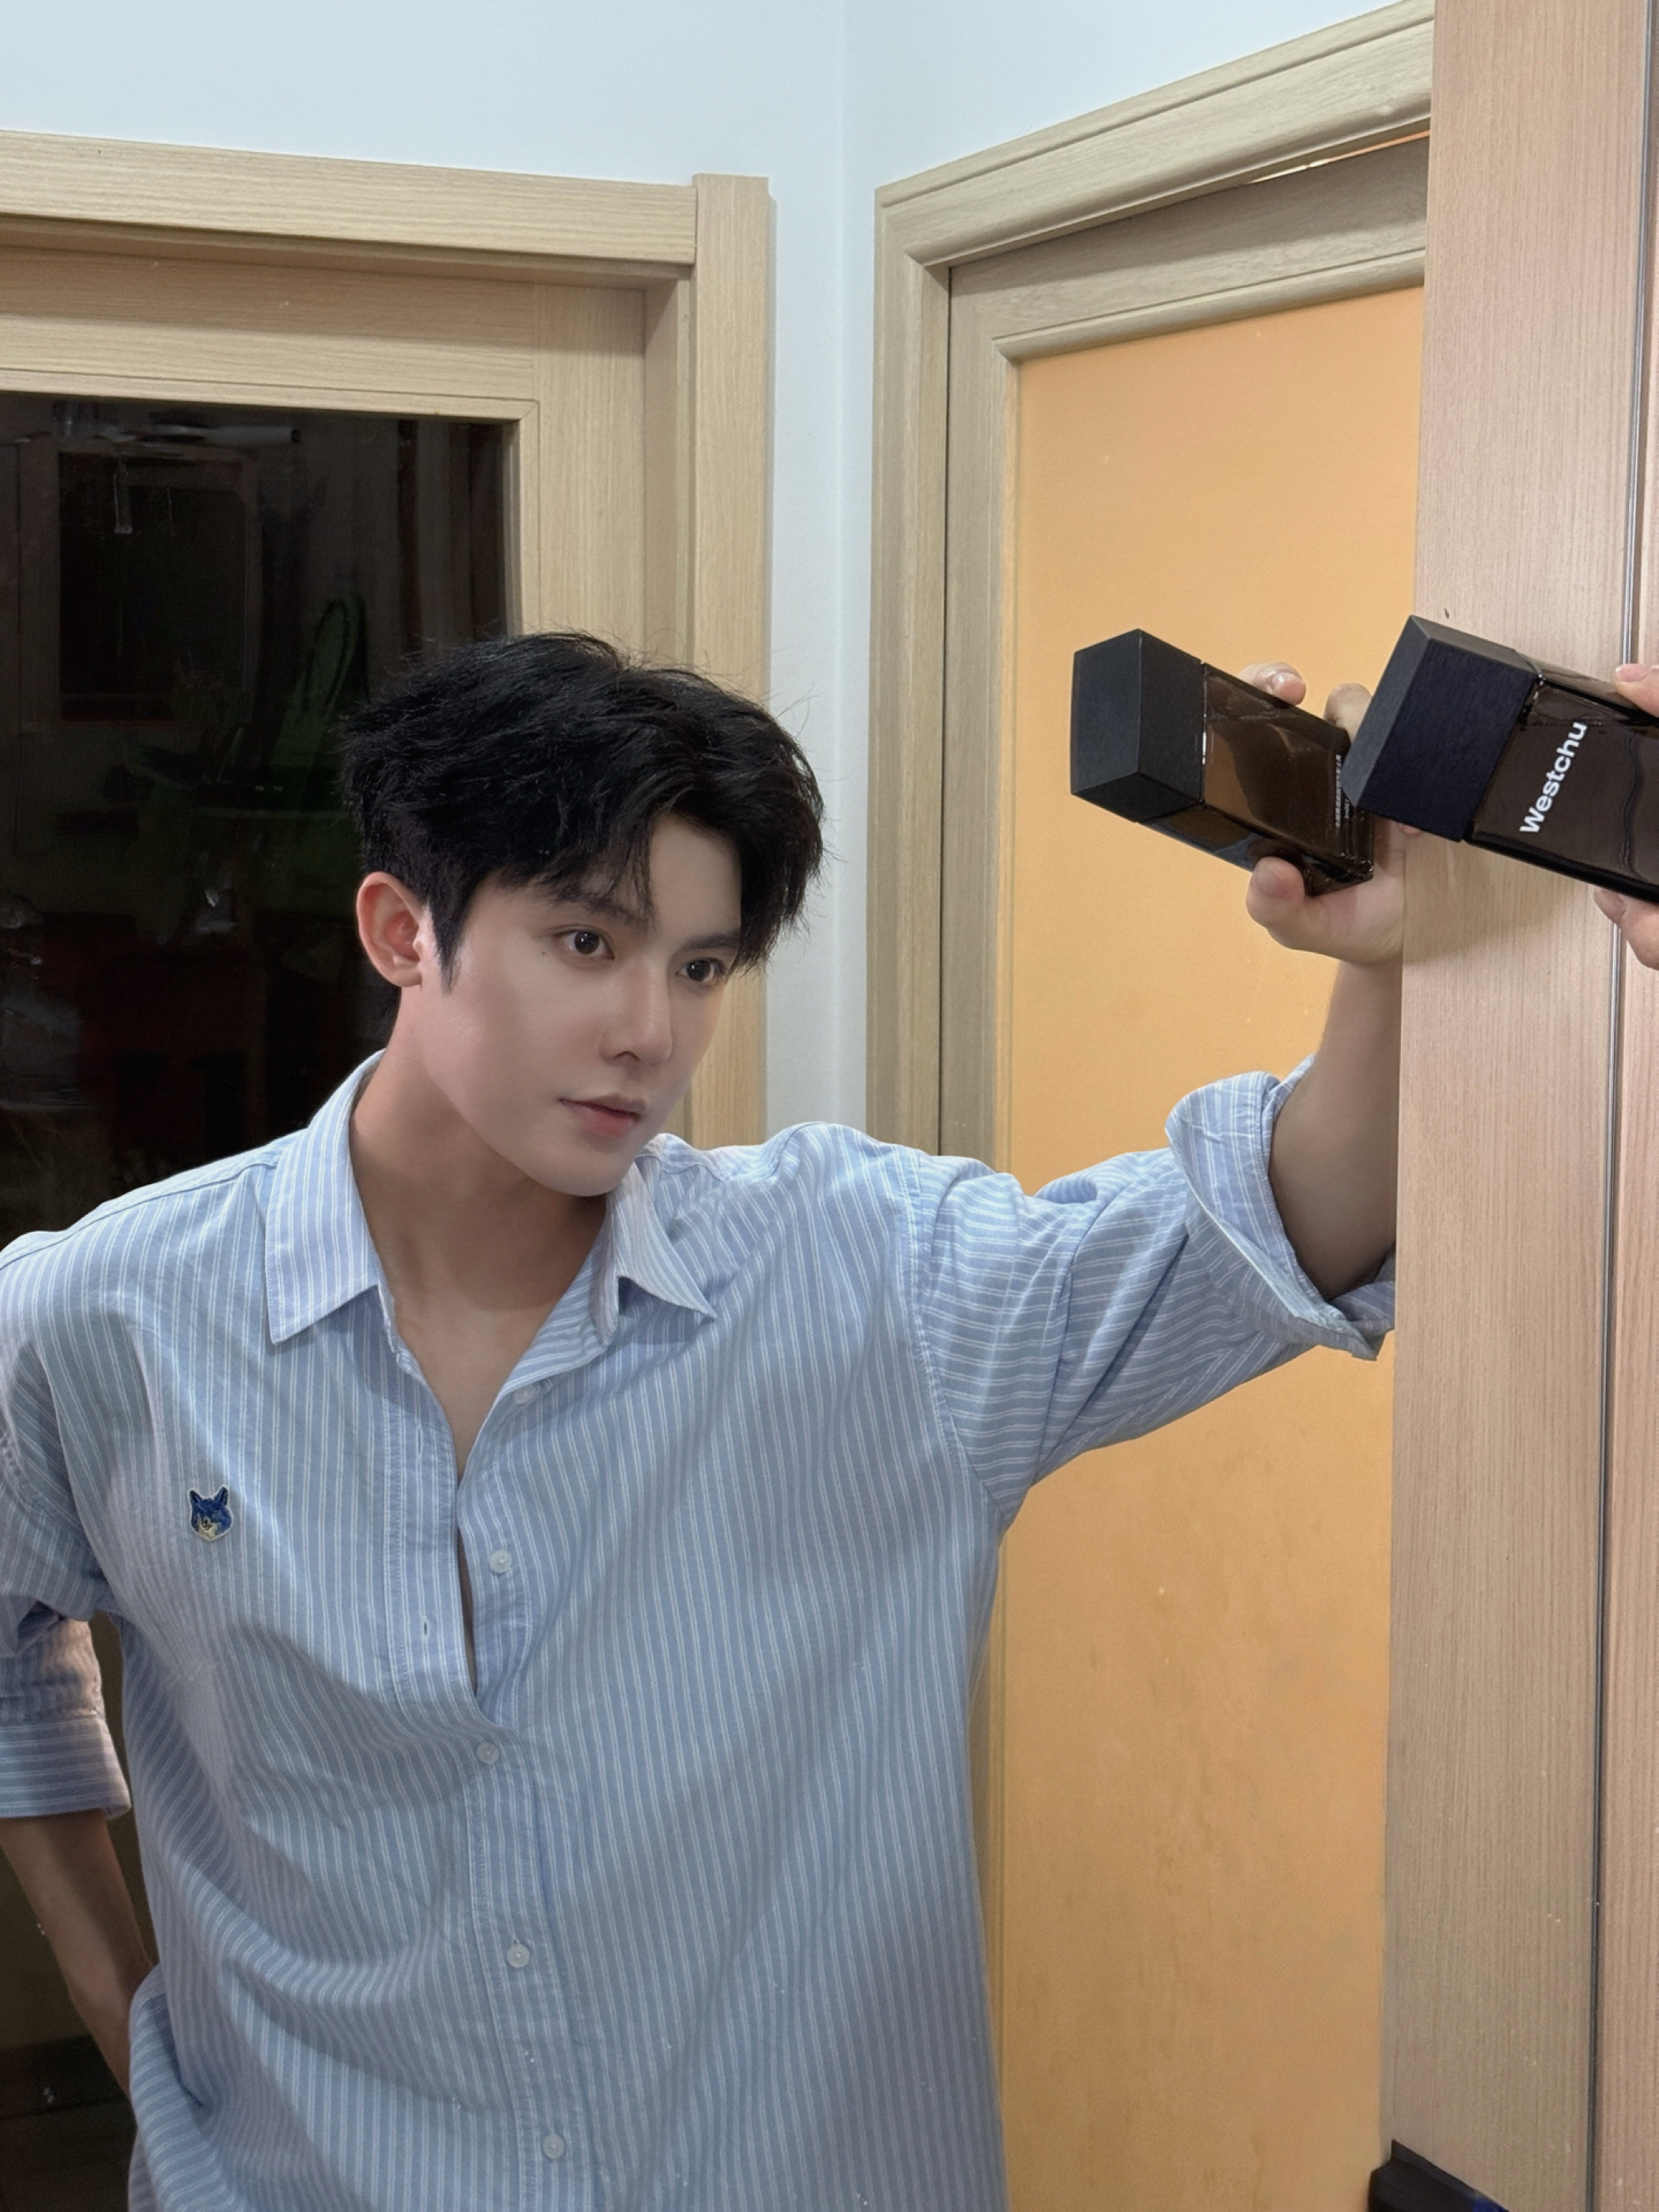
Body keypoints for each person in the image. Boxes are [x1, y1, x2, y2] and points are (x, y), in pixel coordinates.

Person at [0, 637, 1400, 2212]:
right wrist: (130, 2015)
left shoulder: (868, 1278)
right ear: (402, 932)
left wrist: (1386, 958)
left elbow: (1294, 1217)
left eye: (699, 967)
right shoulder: (108, 1319)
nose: (648, 1032)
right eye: (585, 942)